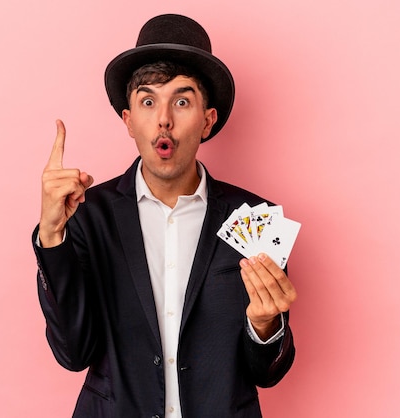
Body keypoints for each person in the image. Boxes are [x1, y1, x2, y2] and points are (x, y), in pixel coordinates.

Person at [33, 14, 297, 417]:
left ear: (208, 120)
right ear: (128, 121)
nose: (164, 119)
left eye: (182, 101)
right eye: (148, 100)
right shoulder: (87, 217)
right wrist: (52, 235)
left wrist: (265, 327)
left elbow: (266, 373)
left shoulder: (255, 219)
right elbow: (73, 353)